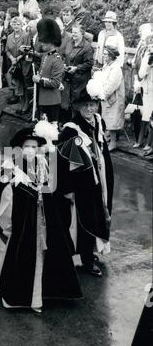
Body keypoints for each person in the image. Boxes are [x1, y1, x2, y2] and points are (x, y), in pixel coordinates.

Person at [0, 125, 82, 312]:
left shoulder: (43, 165)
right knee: (22, 253)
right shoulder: (12, 168)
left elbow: (49, 191)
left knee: (45, 254)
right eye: (27, 146)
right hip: (22, 223)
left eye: (34, 147)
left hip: (42, 220)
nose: (31, 150)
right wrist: (9, 221)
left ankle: (41, 293)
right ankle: (24, 296)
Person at [58, 93, 114, 277]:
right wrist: (67, 189)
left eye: (92, 105)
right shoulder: (71, 130)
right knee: (85, 218)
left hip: (101, 176)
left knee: (100, 213)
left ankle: (91, 251)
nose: (89, 109)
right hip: (81, 182)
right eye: (85, 106)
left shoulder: (98, 121)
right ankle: (86, 259)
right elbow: (63, 162)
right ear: (78, 107)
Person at [32, 18, 64, 123]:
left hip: (51, 100)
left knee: (51, 130)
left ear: (51, 42)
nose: (42, 44)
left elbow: (55, 83)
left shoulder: (57, 60)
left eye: (44, 42)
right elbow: (40, 56)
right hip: (43, 98)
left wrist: (39, 80)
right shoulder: (46, 55)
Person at [63, 23, 94, 115]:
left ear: (82, 33)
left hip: (80, 80)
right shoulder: (70, 43)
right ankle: (71, 121)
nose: (73, 34)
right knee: (68, 100)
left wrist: (76, 68)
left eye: (76, 32)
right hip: (69, 77)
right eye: (72, 32)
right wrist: (65, 64)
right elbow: (66, 56)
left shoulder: (87, 47)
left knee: (78, 102)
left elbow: (89, 63)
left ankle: (78, 122)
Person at [100, 46, 125, 151]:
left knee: (112, 120)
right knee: (106, 118)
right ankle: (108, 138)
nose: (103, 56)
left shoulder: (116, 69)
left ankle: (113, 142)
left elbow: (111, 85)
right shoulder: (107, 65)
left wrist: (103, 94)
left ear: (111, 56)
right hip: (106, 98)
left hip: (113, 98)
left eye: (105, 54)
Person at [6, 16, 31, 115]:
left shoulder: (25, 35)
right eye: (14, 24)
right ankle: (21, 103)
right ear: (11, 25)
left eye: (18, 24)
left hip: (24, 63)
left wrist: (18, 58)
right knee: (17, 83)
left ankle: (26, 105)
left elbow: (28, 49)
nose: (16, 26)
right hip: (13, 63)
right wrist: (12, 58)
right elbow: (7, 50)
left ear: (21, 25)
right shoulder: (9, 36)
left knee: (24, 84)